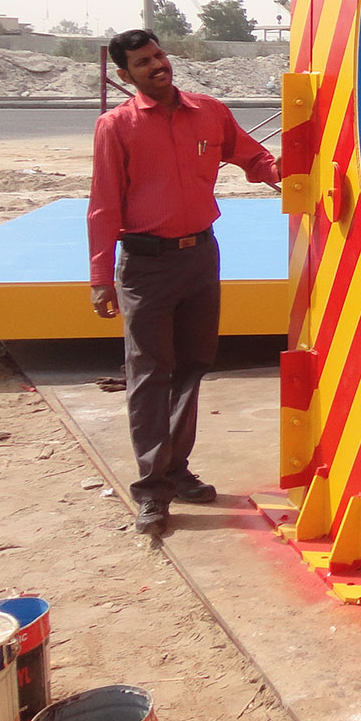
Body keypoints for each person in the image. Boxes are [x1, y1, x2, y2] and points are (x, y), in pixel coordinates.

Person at [88, 29, 280, 534]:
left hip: (199, 257)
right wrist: (100, 277)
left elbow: (251, 156)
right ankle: (152, 491)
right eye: (143, 62)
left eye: (158, 55)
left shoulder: (209, 112)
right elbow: (103, 205)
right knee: (150, 372)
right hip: (145, 266)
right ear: (125, 74)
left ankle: (175, 469)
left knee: (193, 365)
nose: (157, 65)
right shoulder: (116, 127)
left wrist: (281, 171)